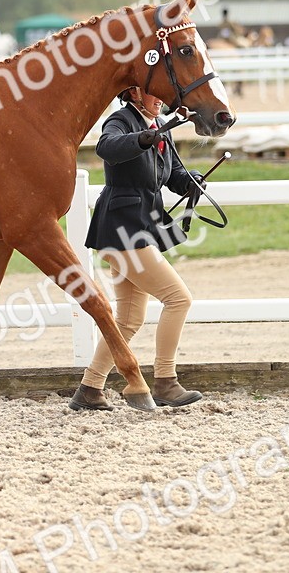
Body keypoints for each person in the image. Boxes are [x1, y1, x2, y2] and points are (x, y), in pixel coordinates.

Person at [69, 86, 207, 412]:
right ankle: (165, 381)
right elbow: (107, 147)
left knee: (129, 319)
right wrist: (143, 138)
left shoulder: (160, 126)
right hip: (123, 229)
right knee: (178, 299)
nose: (160, 98)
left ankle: (89, 388)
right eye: (153, 93)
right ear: (133, 93)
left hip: (139, 229)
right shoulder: (121, 120)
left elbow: (172, 173)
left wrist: (191, 181)